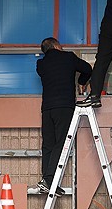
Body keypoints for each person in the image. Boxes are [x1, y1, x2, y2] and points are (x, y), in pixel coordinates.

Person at [36, 37, 92, 194]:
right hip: (64, 107)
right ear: (56, 45)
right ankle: (49, 179)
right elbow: (87, 68)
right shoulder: (68, 57)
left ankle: (48, 180)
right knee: (61, 143)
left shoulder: (41, 64)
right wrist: (82, 81)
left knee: (48, 144)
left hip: (47, 109)